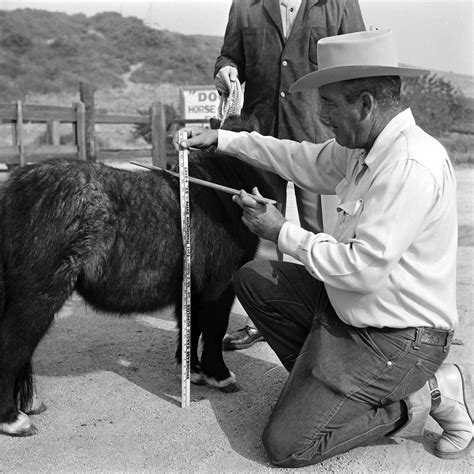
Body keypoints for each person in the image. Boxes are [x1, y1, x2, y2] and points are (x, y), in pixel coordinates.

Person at [174, 30, 473, 467]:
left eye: (329, 104)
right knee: (254, 279)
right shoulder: (365, 145)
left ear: (366, 104)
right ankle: (328, 385)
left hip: (399, 338)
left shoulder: (409, 165)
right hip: (351, 310)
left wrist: (281, 231)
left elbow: (361, 270)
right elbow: (302, 159)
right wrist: (225, 140)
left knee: (287, 445)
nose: (321, 115)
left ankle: (424, 394)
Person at [214, 0, 366, 350]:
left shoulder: (340, 4)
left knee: (323, 231)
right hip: (262, 138)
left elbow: (357, 63)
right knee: (262, 232)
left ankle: (328, 320)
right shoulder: (244, 5)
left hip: (320, 140)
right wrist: (226, 70)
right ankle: (262, 319)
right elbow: (228, 56)